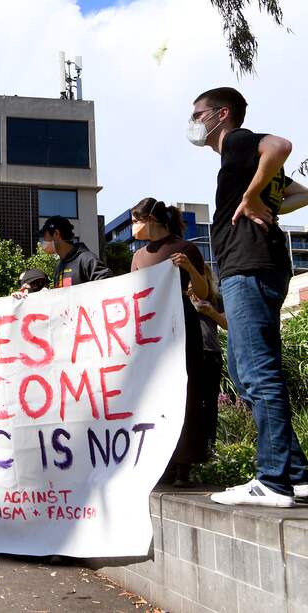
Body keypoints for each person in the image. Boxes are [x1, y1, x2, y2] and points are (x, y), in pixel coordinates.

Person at [189, 87, 308, 506]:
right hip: (259, 266)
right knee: (243, 370)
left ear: (221, 115)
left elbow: (281, 145)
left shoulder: (239, 141)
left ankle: (273, 481)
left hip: (249, 267)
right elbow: (301, 194)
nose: (193, 122)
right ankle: (295, 474)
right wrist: (264, 197)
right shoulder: (243, 160)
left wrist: (253, 196)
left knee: (257, 372)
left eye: (198, 113)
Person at [130, 197, 210, 487]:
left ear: (150, 220)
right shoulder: (138, 257)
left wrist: (189, 268)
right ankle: (160, 462)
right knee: (155, 395)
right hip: (152, 333)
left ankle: (184, 464)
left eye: (136, 221)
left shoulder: (185, 248)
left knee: (186, 393)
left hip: (182, 329)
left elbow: (203, 291)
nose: (134, 227)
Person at [190, 266, 227, 454]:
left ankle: (208, 448)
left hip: (211, 353)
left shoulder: (215, 298)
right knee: (191, 402)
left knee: (210, 403)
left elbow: (228, 324)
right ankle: (192, 451)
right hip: (188, 355)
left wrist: (210, 312)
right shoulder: (178, 297)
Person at [40, 216, 112, 288]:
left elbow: (108, 285)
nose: (42, 242)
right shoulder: (59, 266)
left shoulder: (86, 259)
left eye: (44, 237)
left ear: (56, 234)